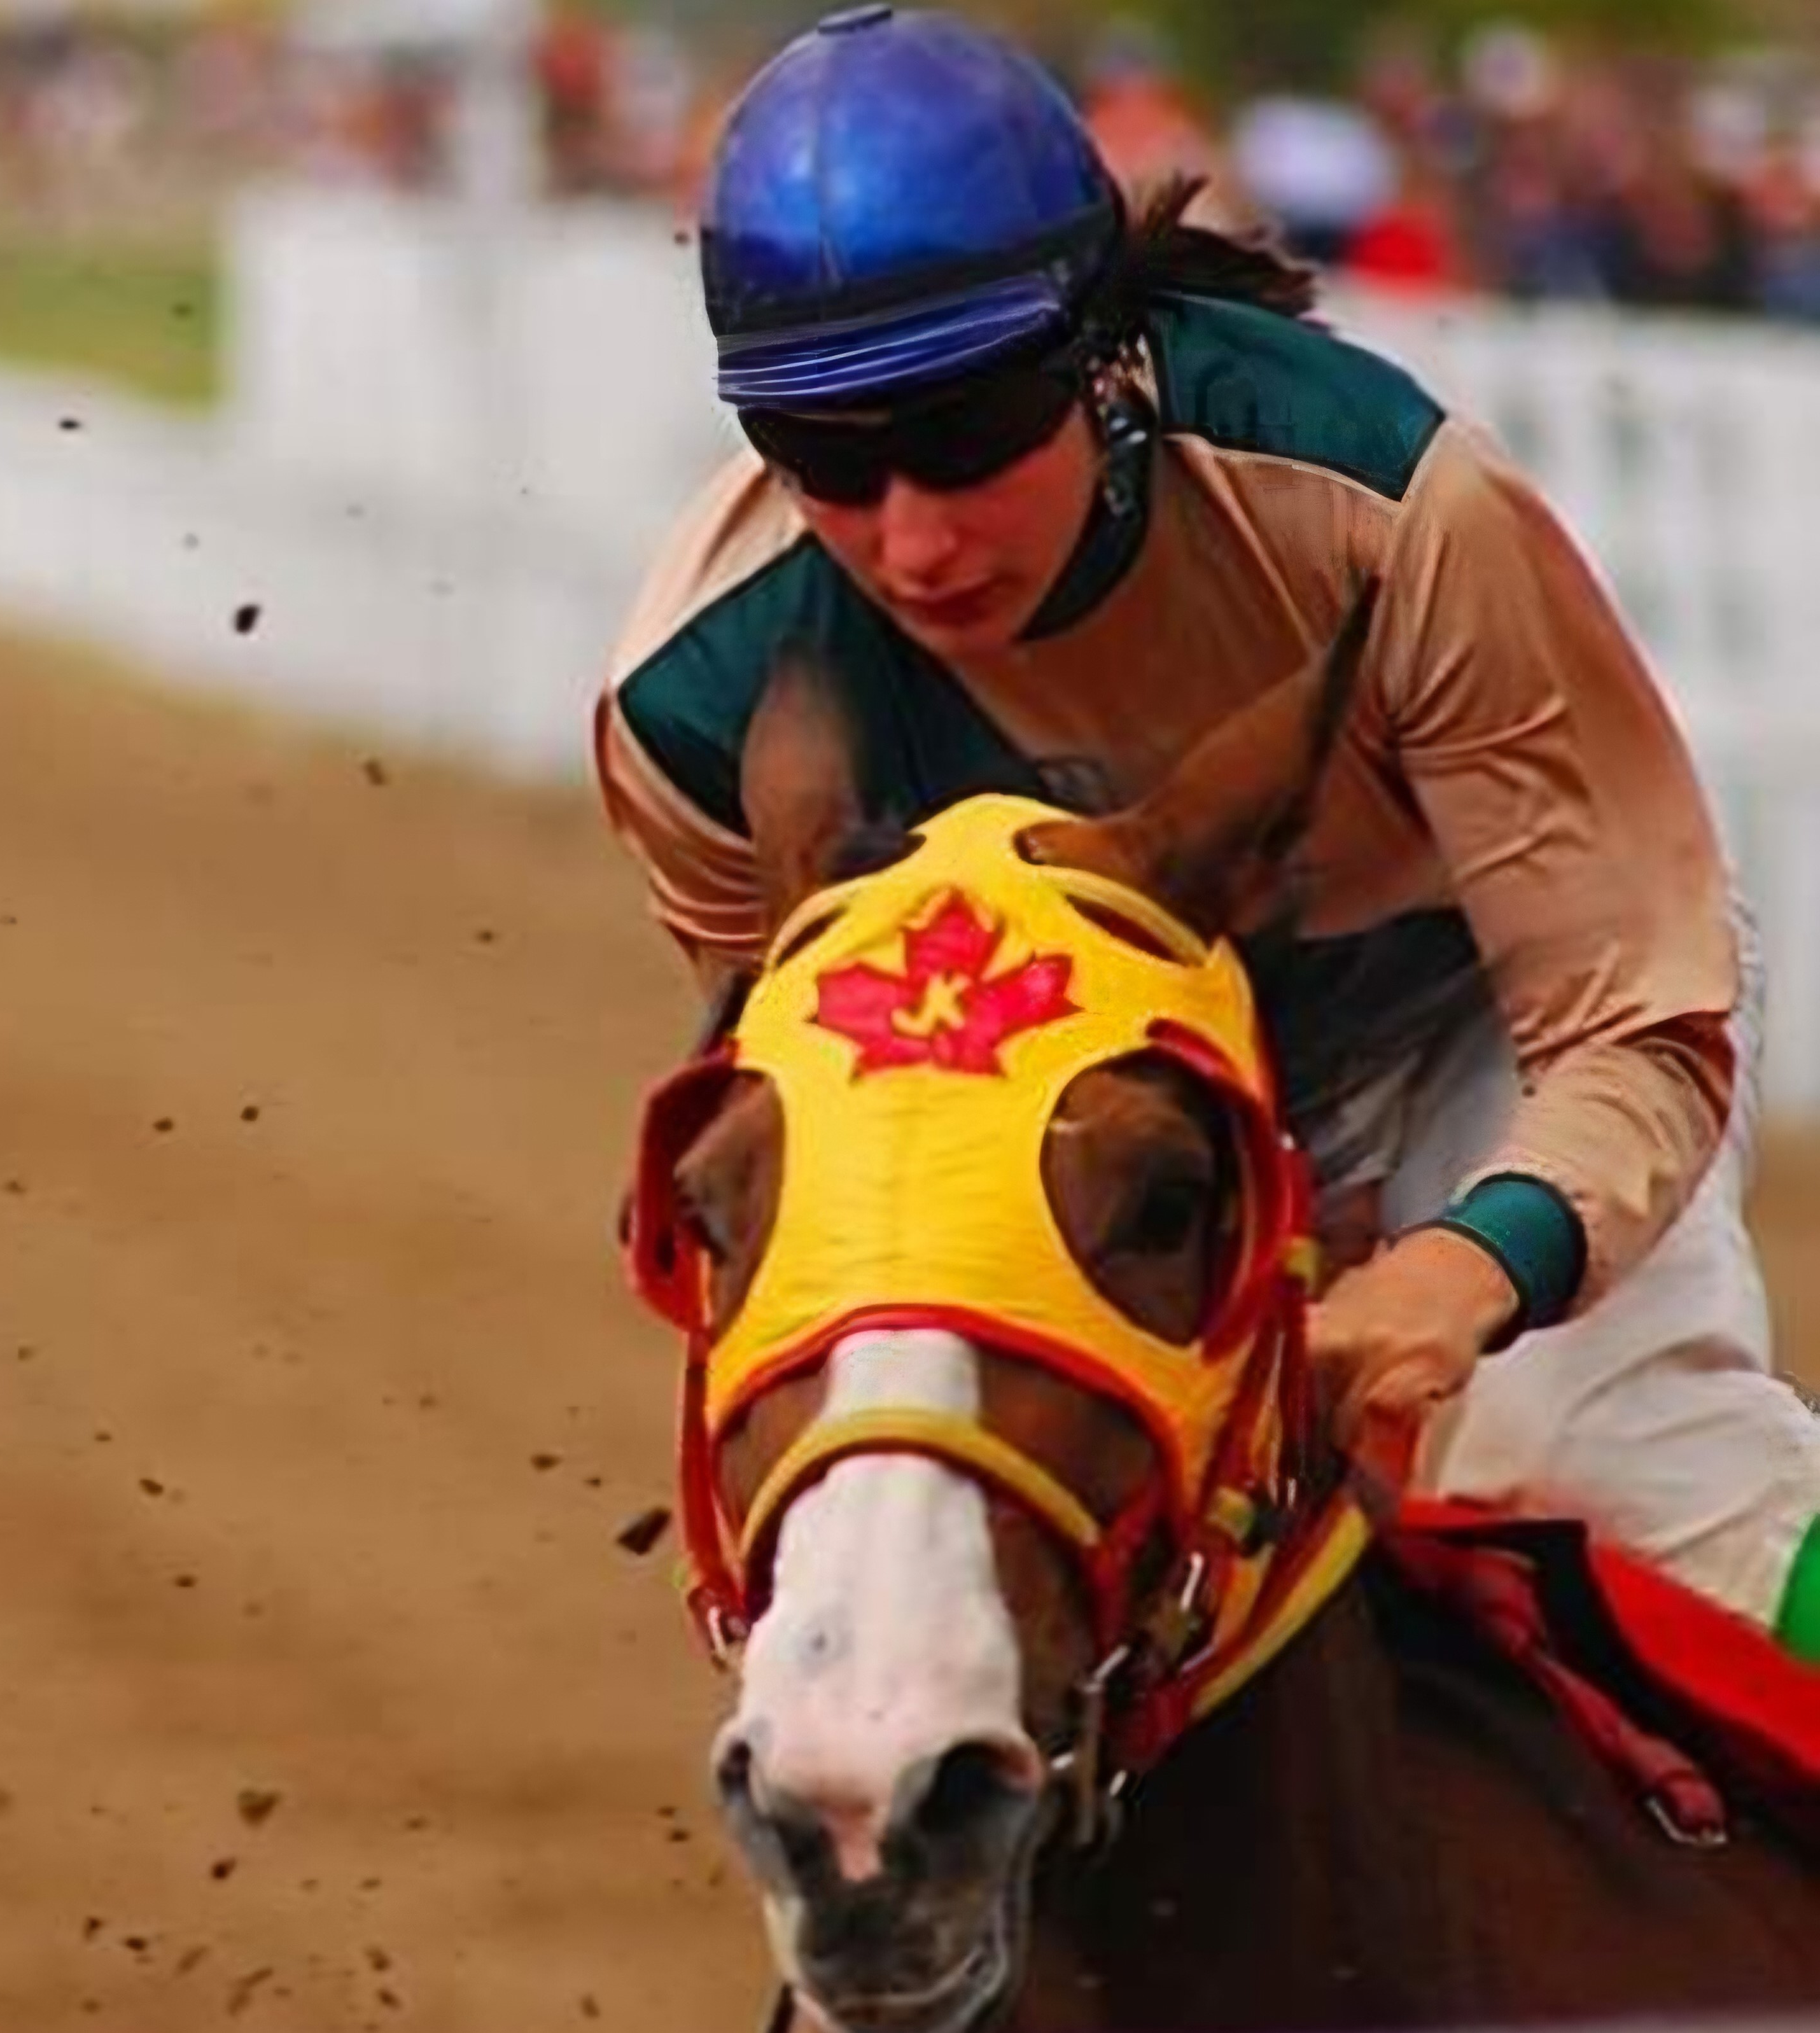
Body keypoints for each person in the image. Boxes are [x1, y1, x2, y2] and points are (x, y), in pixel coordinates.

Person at [592, 6, 1820, 1659]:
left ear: (1104, 351)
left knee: (1596, 1469)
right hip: (1101, 1122)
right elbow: (831, 1121)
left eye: (967, 437)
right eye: (821, 459)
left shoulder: (1390, 506)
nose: (914, 539)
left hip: (1486, 1012)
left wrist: (1468, 1261)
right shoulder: (693, 702)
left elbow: (1637, 1008)